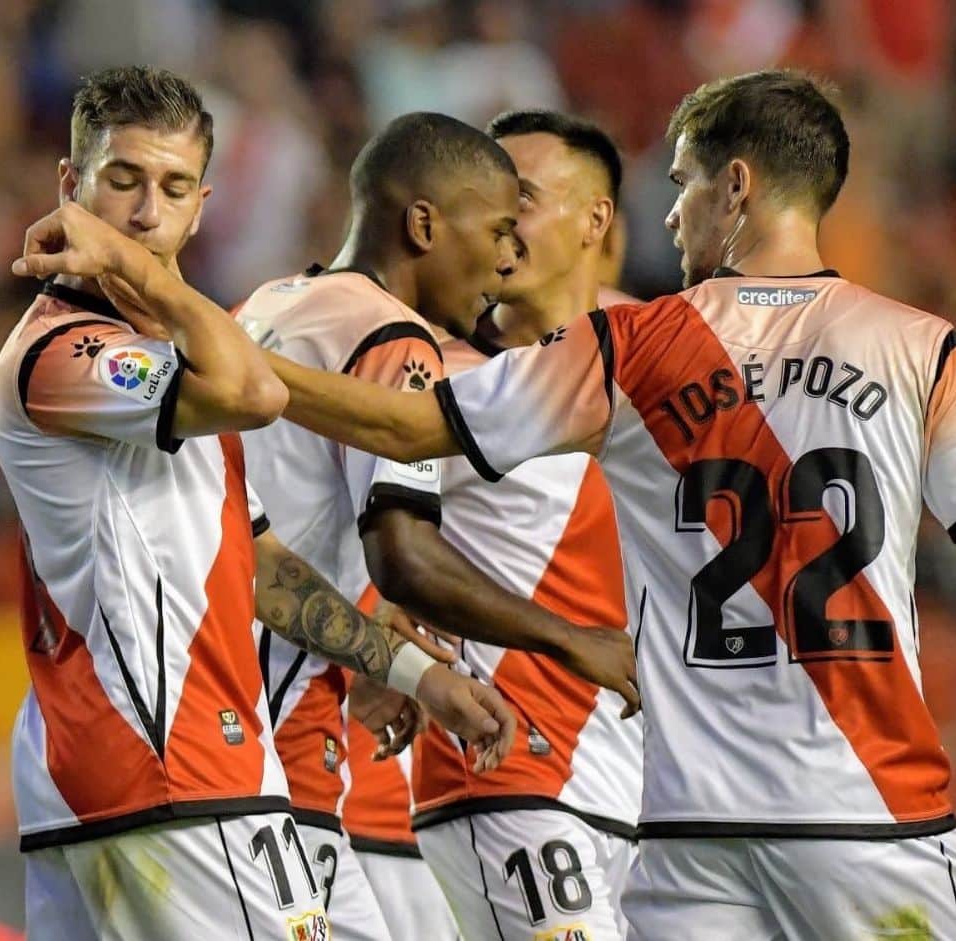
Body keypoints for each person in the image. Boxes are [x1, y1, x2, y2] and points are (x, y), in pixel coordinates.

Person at [216, 70, 956, 940]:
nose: (671, 214)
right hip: (874, 807)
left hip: (691, 837)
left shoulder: (629, 347)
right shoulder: (922, 349)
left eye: (680, 184)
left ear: (737, 186)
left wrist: (226, 362)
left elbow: (410, 428)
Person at [0, 66, 515, 941]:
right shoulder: (65, 351)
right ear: (69, 186)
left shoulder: (165, 353)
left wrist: (416, 674)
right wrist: (135, 269)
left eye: (171, 189)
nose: (146, 214)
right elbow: (257, 393)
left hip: (142, 779)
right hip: (168, 770)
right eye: (121, 181)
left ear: (203, 203)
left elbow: (262, 569)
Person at [234, 111, 637, 939]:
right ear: (424, 224)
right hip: (273, 755)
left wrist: (393, 652)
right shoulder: (399, 344)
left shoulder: (269, 304)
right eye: (495, 224)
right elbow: (403, 555)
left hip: (225, 736)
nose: (501, 255)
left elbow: (271, 535)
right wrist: (565, 643)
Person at [411, 109, 642, 940]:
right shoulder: (436, 374)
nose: (500, 224)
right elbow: (350, 529)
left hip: (641, 794)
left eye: (525, 200)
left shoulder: (658, 373)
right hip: (505, 774)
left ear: (595, 221)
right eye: (489, 202)